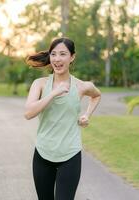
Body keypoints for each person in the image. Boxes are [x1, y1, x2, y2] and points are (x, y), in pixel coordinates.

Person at [24, 37, 101, 200]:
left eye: (63, 54)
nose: (57, 59)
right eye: (53, 54)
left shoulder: (82, 86)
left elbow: (96, 95)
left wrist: (87, 114)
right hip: (43, 153)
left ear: (72, 57)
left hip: (70, 154)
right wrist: (53, 93)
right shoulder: (40, 84)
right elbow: (28, 113)